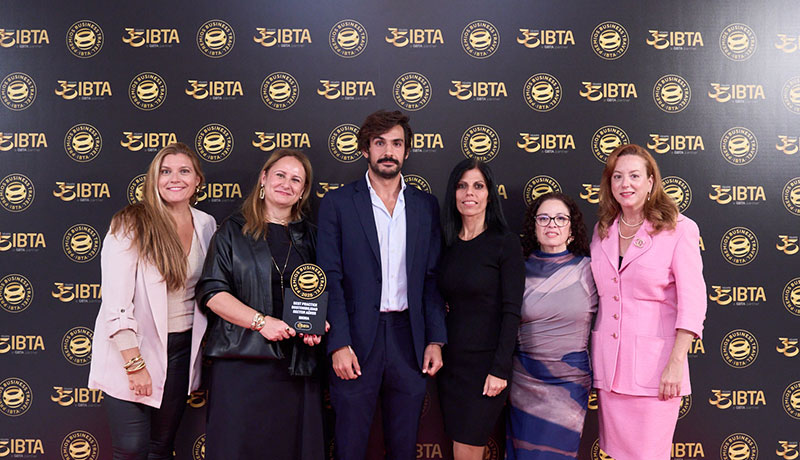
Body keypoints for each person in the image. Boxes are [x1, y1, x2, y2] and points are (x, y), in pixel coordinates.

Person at [317, 109, 447, 460]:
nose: (388, 151)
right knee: (349, 446)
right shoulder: (337, 203)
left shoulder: (425, 206)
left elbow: (432, 278)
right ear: (365, 149)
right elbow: (330, 278)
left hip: (409, 339)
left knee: (404, 447)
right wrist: (338, 342)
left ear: (407, 151)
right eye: (380, 143)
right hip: (356, 340)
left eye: (396, 144)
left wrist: (435, 339)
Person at [88, 143, 217, 460]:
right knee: (132, 447)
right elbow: (116, 303)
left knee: (161, 446)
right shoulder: (130, 223)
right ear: (154, 179)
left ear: (198, 180)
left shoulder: (206, 224)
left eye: (184, 171)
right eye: (165, 171)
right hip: (132, 349)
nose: (175, 179)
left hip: (181, 350)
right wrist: (134, 365)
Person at [196, 149, 325, 460]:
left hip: (296, 365)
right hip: (241, 363)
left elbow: (325, 292)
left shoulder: (314, 237)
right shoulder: (232, 230)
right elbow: (212, 292)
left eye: (296, 179)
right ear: (264, 179)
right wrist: (261, 322)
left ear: (303, 191)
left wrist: (319, 323)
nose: (286, 184)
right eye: (280, 175)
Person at [590, 144, 706, 460]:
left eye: (634, 176)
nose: (625, 184)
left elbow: (693, 303)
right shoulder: (603, 231)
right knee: (615, 453)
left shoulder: (679, 229)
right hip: (610, 371)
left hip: (656, 372)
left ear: (651, 181)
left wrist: (676, 363)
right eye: (617, 177)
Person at [437, 158, 524, 460]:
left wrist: (499, 369)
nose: (469, 193)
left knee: (469, 446)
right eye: (462, 186)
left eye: (478, 186)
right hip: (451, 365)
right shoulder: (447, 243)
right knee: (458, 446)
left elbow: (512, 312)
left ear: (489, 193)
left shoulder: (505, 244)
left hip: (487, 366)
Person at [506, 192, 597, 460]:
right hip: (524, 383)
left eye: (560, 218)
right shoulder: (517, 270)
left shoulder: (590, 270)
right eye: (544, 218)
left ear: (572, 227)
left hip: (569, 386)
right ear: (534, 226)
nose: (552, 224)